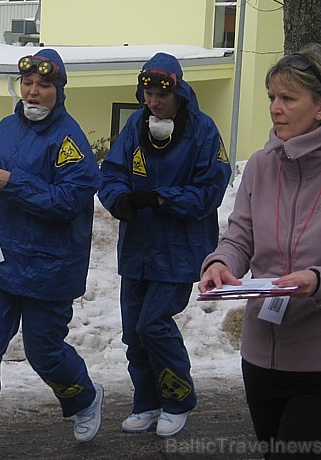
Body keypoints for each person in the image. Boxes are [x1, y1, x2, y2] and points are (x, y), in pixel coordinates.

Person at [198, 43, 321, 459]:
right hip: (262, 361)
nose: (274, 109)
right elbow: (240, 237)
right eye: (271, 97)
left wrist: (319, 281)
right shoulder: (260, 166)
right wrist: (219, 264)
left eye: (288, 98)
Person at [0, 49, 104, 460]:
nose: (33, 92)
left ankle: (84, 398)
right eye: (27, 84)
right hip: (0, 262)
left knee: (43, 352)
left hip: (50, 267)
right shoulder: (7, 128)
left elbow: (70, 200)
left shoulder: (71, 140)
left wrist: (15, 183)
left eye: (43, 86)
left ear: (57, 91)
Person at [98, 52, 231, 438]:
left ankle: (176, 399)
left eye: (160, 95)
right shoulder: (135, 127)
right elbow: (113, 172)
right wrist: (119, 198)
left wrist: (161, 199)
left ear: (178, 93)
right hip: (138, 248)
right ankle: (147, 402)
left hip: (180, 248)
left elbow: (210, 191)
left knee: (153, 324)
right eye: (147, 94)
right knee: (133, 332)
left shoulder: (203, 131)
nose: (153, 101)